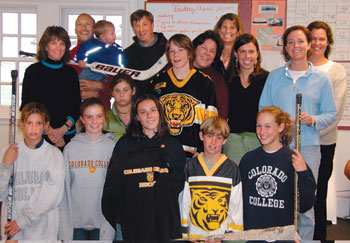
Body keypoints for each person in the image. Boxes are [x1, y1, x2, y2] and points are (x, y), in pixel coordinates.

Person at [259, 25, 337, 239]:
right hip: (277, 148)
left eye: (301, 41)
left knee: (305, 206)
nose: (296, 46)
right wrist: (279, 122)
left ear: (309, 44)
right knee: (278, 200)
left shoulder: (321, 78)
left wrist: (313, 120)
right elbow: (263, 110)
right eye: (291, 42)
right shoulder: (274, 77)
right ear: (285, 47)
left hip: (309, 148)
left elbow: (331, 113)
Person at [102, 94, 185, 241]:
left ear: (160, 113)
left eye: (153, 110)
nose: (149, 116)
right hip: (131, 223)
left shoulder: (173, 146)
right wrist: (121, 216)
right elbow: (114, 184)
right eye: (143, 112)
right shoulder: (124, 144)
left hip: (162, 224)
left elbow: (177, 185)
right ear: (137, 117)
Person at [239, 106, 316, 230]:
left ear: (281, 127)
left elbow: (305, 205)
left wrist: (303, 173)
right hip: (253, 234)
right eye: (259, 126)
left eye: (268, 126)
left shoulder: (293, 160)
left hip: (281, 236)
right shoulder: (248, 160)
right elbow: (239, 199)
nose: (262, 132)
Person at [307, 21, 347, 240]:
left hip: (323, 144)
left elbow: (335, 112)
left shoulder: (336, 71)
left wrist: (310, 136)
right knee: (296, 193)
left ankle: (318, 237)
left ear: (328, 42)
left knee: (317, 194)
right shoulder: (298, 68)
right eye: (312, 38)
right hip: (297, 144)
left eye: (322, 39)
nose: (317, 43)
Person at [0, 102, 64, 240]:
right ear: (22, 124)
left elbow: (51, 196)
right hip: (14, 231)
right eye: (29, 123)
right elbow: (0, 194)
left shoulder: (54, 155)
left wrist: (22, 222)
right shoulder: (8, 153)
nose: (34, 128)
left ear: (46, 125)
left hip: (43, 232)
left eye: (38, 123)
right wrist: (5, 166)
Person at [150, 34, 218, 158]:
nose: (176, 55)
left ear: (190, 53)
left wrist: (202, 150)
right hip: (163, 152)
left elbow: (212, 121)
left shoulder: (204, 82)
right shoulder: (157, 81)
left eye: (181, 50)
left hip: (193, 154)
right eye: (172, 51)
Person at [59, 98, 115, 240]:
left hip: (103, 223)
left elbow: (115, 189)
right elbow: (64, 189)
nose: (94, 122)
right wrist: (65, 226)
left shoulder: (113, 148)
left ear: (105, 117)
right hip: (75, 224)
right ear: (82, 120)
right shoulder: (70, 149)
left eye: (99, 116)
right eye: (89, 117)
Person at [180, 116, 243, 239]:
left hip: (219, 237)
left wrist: (231, 238)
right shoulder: (191, 166)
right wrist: (185, 234)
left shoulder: (232, 169)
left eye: (218, 138)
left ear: (225, 140)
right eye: (209, 136)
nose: (213, 142)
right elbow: (185, 203)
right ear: (201, 136)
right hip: (195, 235)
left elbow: (236, 208)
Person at [21, 26, 81, 149]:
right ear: (46, 46)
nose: (58, 48)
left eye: (62, 44)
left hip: (66, 135)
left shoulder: (71, 73)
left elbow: (76, 106)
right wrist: (50, 132)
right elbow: (26, 106)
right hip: (39, 135)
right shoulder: (32, 71)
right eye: (53, 43)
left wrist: (62, 130)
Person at [224, 33, 269, 165]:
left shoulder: (266, 79)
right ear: (236, 54)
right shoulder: (228, 80)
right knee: (235, 182)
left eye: (251, 51)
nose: (247, 56)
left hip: (259, 140)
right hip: (232, 142)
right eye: (242, 52)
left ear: (257, 54)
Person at [69, 13, 111, 109]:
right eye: (79, 24)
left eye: (87, 24)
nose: (83, 28)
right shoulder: (68, 56)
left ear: (94, 29)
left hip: (102, 110)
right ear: (75, 30)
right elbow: (62, 87)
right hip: (75, 113)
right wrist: (80, 94)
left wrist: (100, 86)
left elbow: (117, 86)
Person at [124, 9, 168, 95]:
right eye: (137, 26)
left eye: (144, 24)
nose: (141, 30)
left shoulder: (169, 49)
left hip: (165, 101)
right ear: (133, 28)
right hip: (138, 103)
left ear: (152, 25)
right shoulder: (127, 54)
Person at [192, 30, 229, 119]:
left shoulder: (217, 81)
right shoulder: (179, 70)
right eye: (204, 48)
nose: (207, 53)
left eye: (212, 51)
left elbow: (222, 114)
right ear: (195, 49)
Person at [104, 73, 136, 142]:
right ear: (112, 93)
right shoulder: (104, 118)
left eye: (125, 90)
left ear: (133, 91)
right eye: (117, 91)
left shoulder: (141, 116)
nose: (121, 95)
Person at [213, 13, 244, 77]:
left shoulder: (242, 57)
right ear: (219, 31)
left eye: (232, 28)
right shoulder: (212, 55)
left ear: (238, 33)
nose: (227, 31)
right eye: (224, 27)